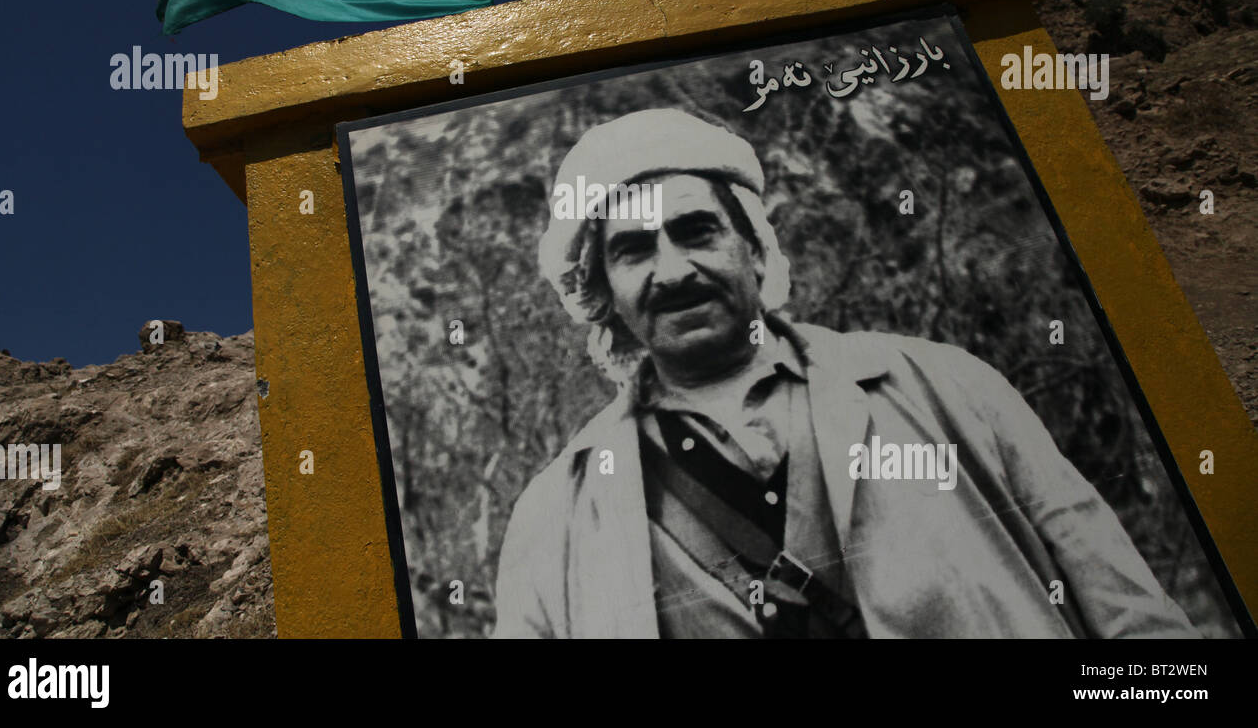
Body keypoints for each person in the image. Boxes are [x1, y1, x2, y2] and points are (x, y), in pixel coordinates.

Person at [492, 107, 1197, 638]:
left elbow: (1135, 623)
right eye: (634, 249)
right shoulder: (554, 515)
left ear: (755, 248)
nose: (673, 269)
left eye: (696, 231)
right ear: (602, 291)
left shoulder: (946, 387)